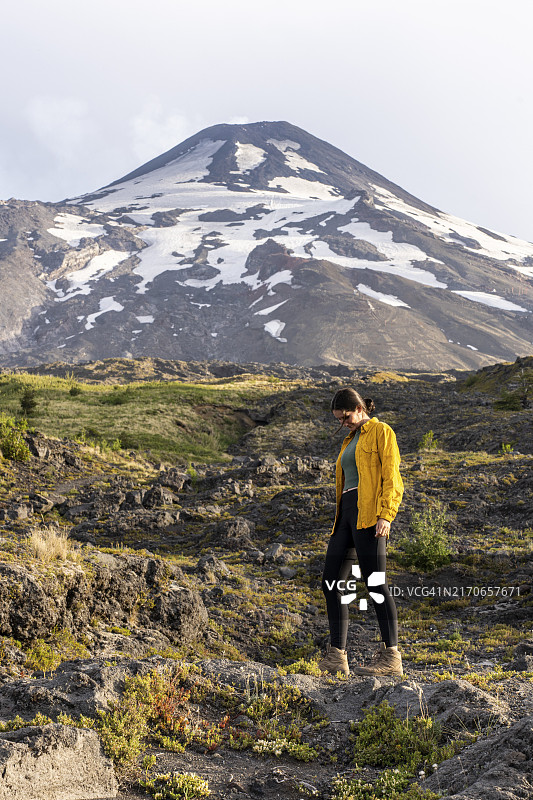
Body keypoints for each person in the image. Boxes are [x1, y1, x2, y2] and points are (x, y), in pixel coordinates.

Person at [318, 387, 404, 677]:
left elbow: (392, 476)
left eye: (345, 417)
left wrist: (386, 515)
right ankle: (336, 657)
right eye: (339, 420)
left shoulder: (382, 432)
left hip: (370, 515)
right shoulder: (349, 440)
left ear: (359, 408)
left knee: (376, 584)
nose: (343, 423)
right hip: (346, 514)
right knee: (331, 582)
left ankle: (391, 657)